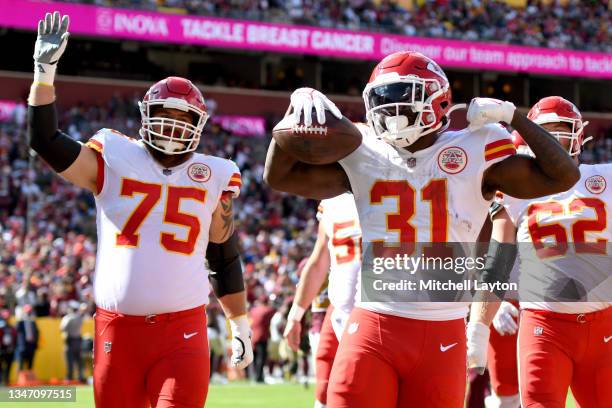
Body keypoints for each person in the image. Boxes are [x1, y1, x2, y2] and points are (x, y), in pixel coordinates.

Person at [264, 51, 580, 407]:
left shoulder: (476, 147)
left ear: (437, 99)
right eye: (382, 99)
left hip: (442, 331)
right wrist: (291, 122)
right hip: (374, 324)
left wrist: (513, 116)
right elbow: (279, 177)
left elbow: (564, 175)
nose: (390, 109)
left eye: (402, 96)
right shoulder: (364, 150)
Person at [27, 12, 253, 408]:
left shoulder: (214, 173)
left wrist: (240, 322)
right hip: (117, 331)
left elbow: (222, 252)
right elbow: (46, 141)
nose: (172, 126)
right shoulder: (114, 154)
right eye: (165, 115)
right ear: (146, 116)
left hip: (183, 329)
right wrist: (44, 75)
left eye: (183, 118)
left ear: (200, 125)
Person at [467, 96, 611, 408]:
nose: (555, 141)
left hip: (605, 325)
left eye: (561, 131)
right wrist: (478, 328)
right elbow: (498, 261)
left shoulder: (606, 176)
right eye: (546, 133)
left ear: (578, 135)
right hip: (545, 326)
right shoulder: (517, 192)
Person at [284, 193, 361, 408]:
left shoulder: (397, 185)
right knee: (326, 389)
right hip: (338, 310)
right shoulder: (332, 202)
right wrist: (295, 315)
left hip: (382, 311)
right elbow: (318, 260)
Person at [249, 296, 276, 383]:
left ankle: (255, 375)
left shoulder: (254, 310)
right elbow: (274, 311)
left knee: (255, 357)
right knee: (262, 357)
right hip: (262, 336)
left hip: (253, 336)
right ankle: (259, 377)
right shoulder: (268, 310)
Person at [60, 301, 86, 383]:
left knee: (69, 361)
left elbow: (62, 328)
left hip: (70, 340)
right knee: (79, 361)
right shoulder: (79, 318)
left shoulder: (68, 318)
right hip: (78, 340)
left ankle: (69, 378)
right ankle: (80, 377)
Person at [15, 304, 38, 371]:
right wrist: (19, 319)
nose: (29, 313)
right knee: (20, 365)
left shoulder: (33, 322)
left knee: (30, 365)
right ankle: (19, 380)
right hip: (23, 346)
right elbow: (16, 330)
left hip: (31, 345)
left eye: (30, 312)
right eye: (27, 312)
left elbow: (36, 333)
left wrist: (35, 344)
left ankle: (29, 381)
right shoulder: (20, 322)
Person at [0, 311, 17, 385]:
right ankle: (1, 379)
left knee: (9, 366)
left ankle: (6, 380)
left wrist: (13, 347)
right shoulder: (1, 328)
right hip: (2, 349)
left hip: (10, 349)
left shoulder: (12, 328)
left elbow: (15, 338)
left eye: (7, 318)